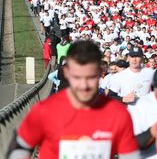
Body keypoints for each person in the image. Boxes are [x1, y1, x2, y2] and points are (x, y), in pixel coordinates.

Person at [7, 41, 140, 159]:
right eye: (77, 77)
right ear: (67, 73)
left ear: (101, 72)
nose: (84, 85)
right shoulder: (45, 110)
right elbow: (20, 147)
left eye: (90, 77)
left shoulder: (118, 114)